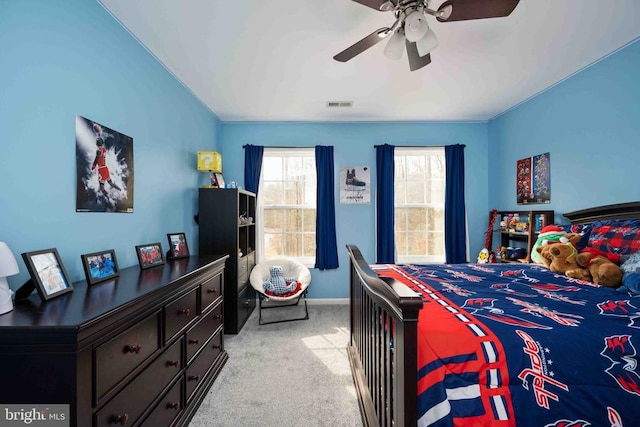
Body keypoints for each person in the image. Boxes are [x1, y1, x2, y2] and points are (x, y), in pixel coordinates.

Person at [91, 123, 122, 196]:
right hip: (105, 168)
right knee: (110, 183)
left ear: (96, 144)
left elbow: (96, 159)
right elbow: (100, 142)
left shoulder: (98, 151)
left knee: (102, 187)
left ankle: (107, 195)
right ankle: (121, 190)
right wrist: (98, 133)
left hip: (101, 170)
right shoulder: (103, 149)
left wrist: (92, 167)